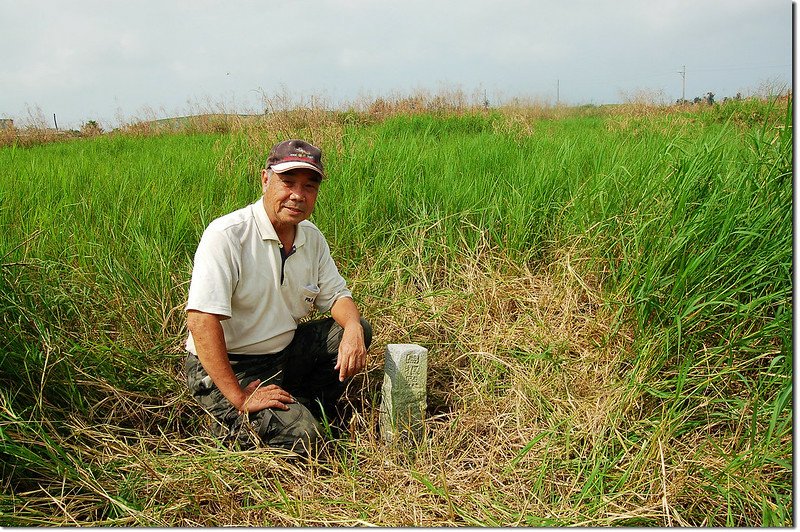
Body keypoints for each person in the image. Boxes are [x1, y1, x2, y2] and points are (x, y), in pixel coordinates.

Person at [184, 139, 372, 453]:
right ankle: (227, 419)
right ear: (265, 179)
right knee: (306, 437)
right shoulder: (229, 235)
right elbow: (201, 321)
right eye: (288, 182)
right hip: (232, 366)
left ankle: (306, 404)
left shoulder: (310, 238)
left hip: (282, 354)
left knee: (354, 330)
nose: (298, 195)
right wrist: (240, 397)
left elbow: (337, 295)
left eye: (309, 186)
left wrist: (352, 327)